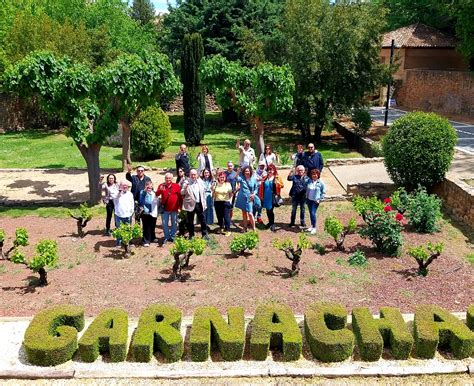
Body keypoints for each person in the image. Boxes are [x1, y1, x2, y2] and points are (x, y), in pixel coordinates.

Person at [181, 169, 208, 239]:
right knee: (190, 221)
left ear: (197, 175)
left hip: (199, 203)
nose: (193, 176)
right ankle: (191, 235)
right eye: (192, 174)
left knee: (203, 220)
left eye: (194, 174)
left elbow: (204, 190)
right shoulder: (186, 182)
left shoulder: (200, 181)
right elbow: (182, 192)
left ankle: (204, 234)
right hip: (190, 205)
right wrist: (185, 188)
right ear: (189, 175)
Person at [156, 172, 181, 244]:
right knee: (164, 223)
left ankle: (173, 236)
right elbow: (156, 195)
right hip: (165, 209)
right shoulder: (161, 185)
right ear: (165, 178)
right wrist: (160, 190)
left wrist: (180, 207)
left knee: (174, 223)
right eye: (166, 178)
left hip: (174, 208)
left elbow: (180, 197)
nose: (168, 179)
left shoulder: (176, 186)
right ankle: (167, 237)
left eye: (169, 178)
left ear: (172, 179)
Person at [258, 164, 284, 232]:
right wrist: (261, 196)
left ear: (274, 170)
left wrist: (278, 184)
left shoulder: (277, 177)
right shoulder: (265, 177)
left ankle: (272, 223)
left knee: (270, 210)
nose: (270, 171)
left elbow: (282, 185)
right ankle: (270, 222)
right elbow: (262, 186)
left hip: (272, 197)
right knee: (267, 210)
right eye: (268, 170)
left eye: (271, 169)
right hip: (266, 196)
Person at [235, 165, 258, 232]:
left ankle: (254, 228)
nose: (246, 172)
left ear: (250, 171)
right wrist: (237, 172)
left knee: (250, 213)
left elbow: (256, 188)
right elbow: (236, 178)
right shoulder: (242, 178)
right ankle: (245, 227)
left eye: (248, 171)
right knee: (244, 212)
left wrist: (254, 194)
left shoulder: (253, 179)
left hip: (249, 198)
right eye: (245, 171)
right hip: (242, 197)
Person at [113, 180, 134, 246]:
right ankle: (119, 243)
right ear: (120, 186)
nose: (125, 186)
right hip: (119, 214)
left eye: (126, 185)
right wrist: (119, 191)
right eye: (123, 185)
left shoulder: (130, 194)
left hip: (128, 215)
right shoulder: (117, 193)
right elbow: (115, 198)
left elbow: (132, 203)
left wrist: (132, 212)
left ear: (128, 186)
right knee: (119, 229)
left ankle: (128, 241)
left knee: (128, 229)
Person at [305, 169, 326, 235]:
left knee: (313, 213)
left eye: (316, 174)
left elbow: (323, 192)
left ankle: (314, 228)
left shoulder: (320, 183)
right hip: (309, 200)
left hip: (315, 201)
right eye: (313, 174)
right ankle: (311, 226)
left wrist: (319, 199)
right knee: (311, 213)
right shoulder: (309, 181)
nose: (315, 175)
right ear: (311, 175)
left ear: (318, 175)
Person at [213, 171, 233, 236]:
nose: (222, 178)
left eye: (223, 177)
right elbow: (213, 193)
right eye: (221, 177)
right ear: (218, 177)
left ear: (225, 178)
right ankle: (221, 227)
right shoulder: (216, 184)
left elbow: (230, 194)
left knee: (226, 216)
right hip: (217, 202)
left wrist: (229, 201)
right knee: (219, 216)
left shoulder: (228, 184)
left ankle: (228, 230)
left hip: (225, 202)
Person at [139, 181, 158, 247]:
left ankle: (152, 237)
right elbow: (141, 200)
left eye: (150, 185)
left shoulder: (154, 193)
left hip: (153, 212)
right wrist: (145, 190)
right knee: (146, 227)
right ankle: (145, 241)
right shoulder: (142, 192)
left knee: (152, 226)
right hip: (145, 212)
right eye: (147, 185)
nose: (149, 187)